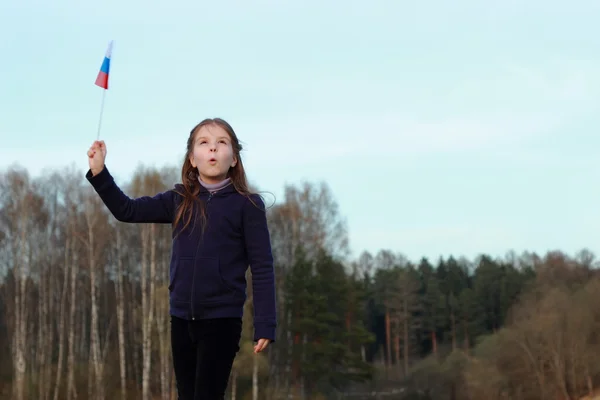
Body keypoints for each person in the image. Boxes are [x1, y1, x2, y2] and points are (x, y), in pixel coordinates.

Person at [86, 117, 277, 399]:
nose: (213, 149)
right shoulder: (178, 199)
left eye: (221, 143)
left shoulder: (247, 205)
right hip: (181, 319)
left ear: (234, 158)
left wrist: (265, 323)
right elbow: (126, 210)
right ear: (193, 158)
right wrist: (99, 172)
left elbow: (262, 268)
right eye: (204, 143)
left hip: (222, 320)